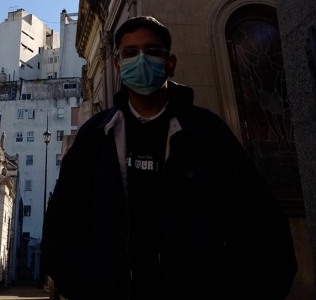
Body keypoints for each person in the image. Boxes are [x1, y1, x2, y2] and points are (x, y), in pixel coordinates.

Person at [41, 15, 297, 300]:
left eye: (151, 51)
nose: (140, 60)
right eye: (130, 53)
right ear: (117, 64)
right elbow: (61, 225)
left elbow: (262, 225)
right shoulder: (95, 136)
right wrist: (88, 287)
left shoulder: (207, 132)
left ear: (170, 63)